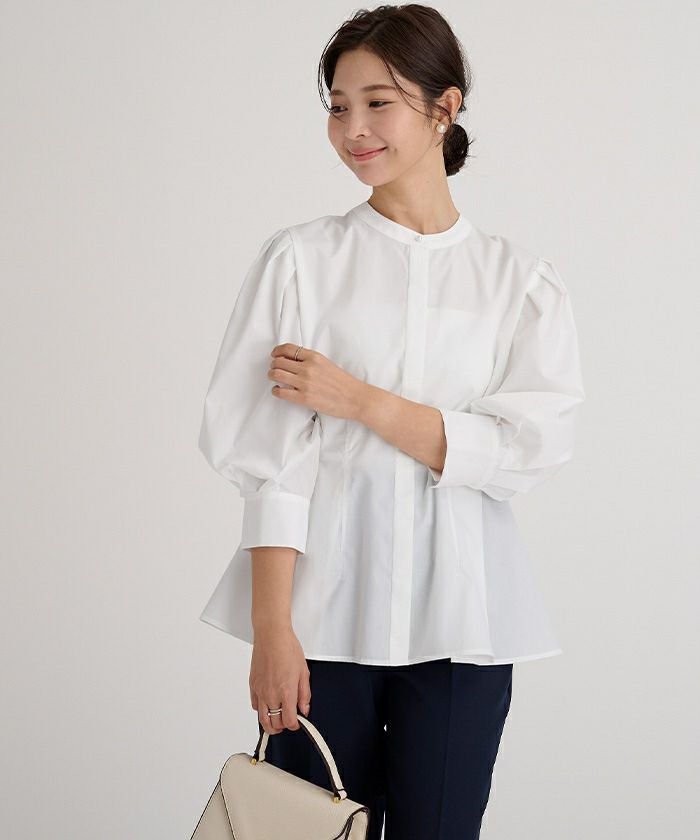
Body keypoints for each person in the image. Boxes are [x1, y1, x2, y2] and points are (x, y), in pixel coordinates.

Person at [197, 5, 585, 838]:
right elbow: (268, 460)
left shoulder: (518, 282)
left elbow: (526, 449)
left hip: (463, 629)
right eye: (338, 106)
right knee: (303, 832)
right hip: (320, 628)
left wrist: (360, 401)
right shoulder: (301, 261)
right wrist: (272, 630)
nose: (353, 129)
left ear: (445, 108)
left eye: (379, 103)